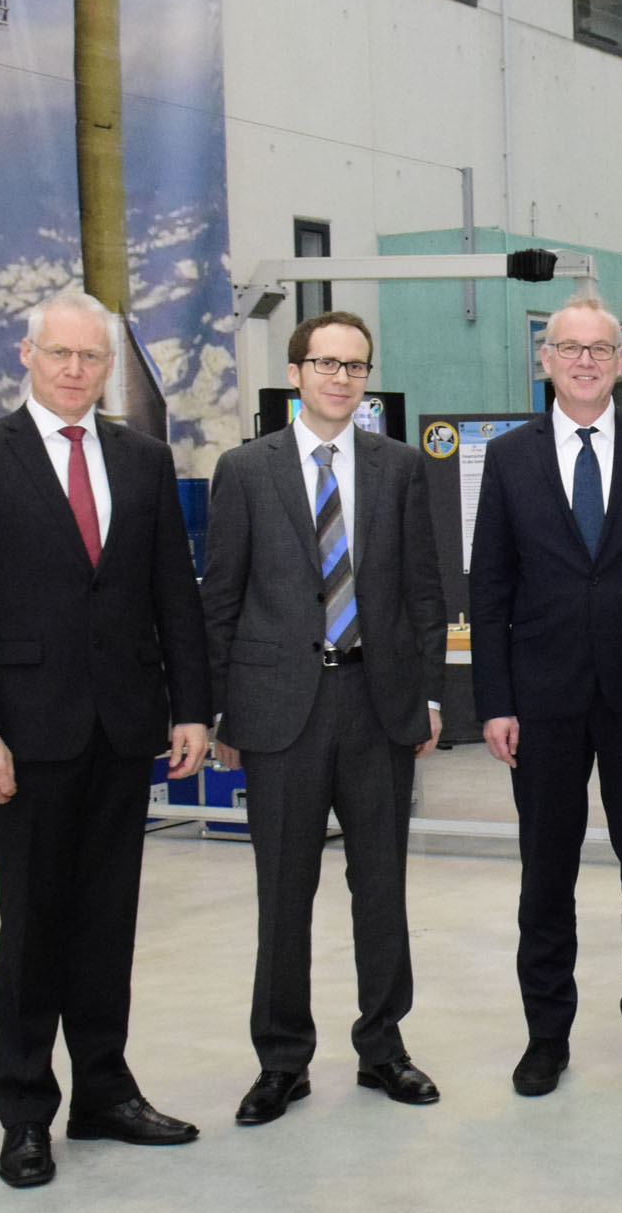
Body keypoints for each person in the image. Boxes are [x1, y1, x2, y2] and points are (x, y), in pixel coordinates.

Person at [0, 289, 211, 1189]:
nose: (76, 370)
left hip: (122, 728)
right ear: (28, 354)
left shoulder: (142, 458)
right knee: (34, 925)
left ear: (108, 366)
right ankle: (24, 1111)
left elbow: (173, 592)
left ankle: (104, 1092)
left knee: (106, 921)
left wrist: (191, 708)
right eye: (61, 354)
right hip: (25, 736)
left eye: (92, 357)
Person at [202, 309, 448, 1127]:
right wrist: (219, 710)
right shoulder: (246, 469)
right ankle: (282, 1059)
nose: (341, 378)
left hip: (379, 706)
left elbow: (423, 591)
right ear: (296, 372)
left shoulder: (399, 467)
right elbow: (221, 598)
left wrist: (429, 697)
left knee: (381, 887)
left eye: (355, 366)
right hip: (281, 714)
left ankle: (384, 1046)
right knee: (284, 891)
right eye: (326, 363)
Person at [469, 297, 622, 1097]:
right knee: (546, 871)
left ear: (620, 360)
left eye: (599, 349)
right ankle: (547, 1033)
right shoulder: (510, 457)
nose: (583, 361)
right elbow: (490, 586)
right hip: (542, 699)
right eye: (568, 348)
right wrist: (494, 701)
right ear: (545, 359)